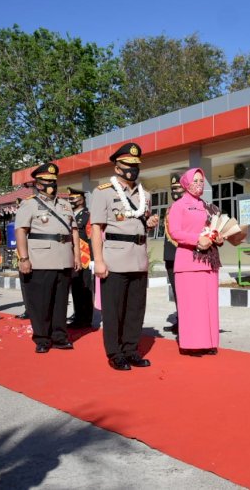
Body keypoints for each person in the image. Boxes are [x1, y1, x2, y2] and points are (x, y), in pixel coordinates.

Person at [90, 142, 159, 370]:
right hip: (115, 259)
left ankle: (131, 350)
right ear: (117, 166)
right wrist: (98, 261)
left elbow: (140, 222)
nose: (132, 169)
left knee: (135, 309)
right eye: (127, 164)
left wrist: (149, 223)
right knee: (114, 310)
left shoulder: (144, 194)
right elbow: (97, 229)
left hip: (138, 258)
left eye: (135, 165)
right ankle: (115, 352)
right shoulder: (102, 193)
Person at [15, 162, 81, 353]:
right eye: (47, 181)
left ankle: (59, 336)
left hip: (64, 257)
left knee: (61, 301)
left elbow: (74, 230)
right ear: (38, 184)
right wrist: (23, 258)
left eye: (54, 181)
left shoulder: (65, 204)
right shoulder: (30, 204)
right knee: (41, 302)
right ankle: (42, 338)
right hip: (41, 258)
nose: (52, 184)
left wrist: (76, 254)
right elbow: (21, 231)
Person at [167, 168, 224, 356]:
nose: (199, 184)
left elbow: (214, 227)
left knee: (208, 304)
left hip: (209, 262)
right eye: (195, 180)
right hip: (189, 261)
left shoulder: (207, 205)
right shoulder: (179, 206)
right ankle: (191, 344)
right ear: (186, 183)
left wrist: (218, 237)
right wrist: (197, 239)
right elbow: (175, 232)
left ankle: (208, 342)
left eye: (201, 181)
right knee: (192, 306)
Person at [67, 187, 94, 328]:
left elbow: (91, 237)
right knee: (76, 287)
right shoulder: (71, 215)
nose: (72, 200)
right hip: (73, 256)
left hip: (85, 257)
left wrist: (94, 259)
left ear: (82, 199)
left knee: (85, 288)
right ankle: (78, 314)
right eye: (70, 198)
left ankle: (86, 318)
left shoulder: (87, 215)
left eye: (74, 198)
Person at [162, 172, 184, 334]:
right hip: (170, 255)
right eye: (173, 188)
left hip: (184, 254)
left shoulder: (189, 206)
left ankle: (186, 322)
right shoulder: (170, 208)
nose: (175, 191)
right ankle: (180, 320)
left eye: (178, 188)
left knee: (185, 292)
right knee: (176, 290)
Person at [14, 197, 29, 320]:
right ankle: (28, 308)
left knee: (31, 285)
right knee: (24, 285)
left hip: (31, 256)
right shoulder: (19, 221)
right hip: (22, 257)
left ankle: (32, 309)